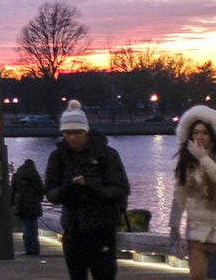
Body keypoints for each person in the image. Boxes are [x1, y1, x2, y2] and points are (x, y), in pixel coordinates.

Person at [45, 99, 130, 280]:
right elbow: (51, 192)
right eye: (68, 133)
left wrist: (91, 188)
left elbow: (121, 189)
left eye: (77, 132)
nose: (72, 138)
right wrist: (67, 189)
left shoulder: (107, 155)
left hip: (102, 229)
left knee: (104, 275)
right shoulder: (58, 157)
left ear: (86, 131)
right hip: (73, 229)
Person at [169, 105, 216, 280]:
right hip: (198, 228)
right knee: (196, 276)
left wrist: (204, 159)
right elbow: (179, 193)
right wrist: (174, 225)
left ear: (214, 135)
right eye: (195, 133)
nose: (199, 137)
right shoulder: (187, 162)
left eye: (204, 133)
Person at [11, 158, 46, 255]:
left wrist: (12, 204)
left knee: (26, 228)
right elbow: (41, 190)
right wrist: (38, 200)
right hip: (34, 205)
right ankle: (35, 249)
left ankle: (28, 249)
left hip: (22, 205)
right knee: (33, 228)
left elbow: (13, 191)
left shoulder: (17, 176)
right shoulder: (35, 176)